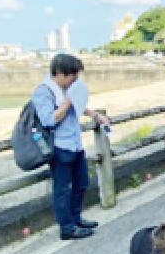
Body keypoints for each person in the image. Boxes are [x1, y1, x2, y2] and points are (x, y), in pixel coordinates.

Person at [31, 53, 110, 241]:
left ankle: (76, 219)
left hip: (75, 144)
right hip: (59, 147)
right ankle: (67, 227)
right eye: (72, 75)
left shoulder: (67, 89)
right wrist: (68, 100)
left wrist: (95, 115)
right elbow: (49, 120)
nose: (75, 79)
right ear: (59, 73)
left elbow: (78, 107)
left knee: (82, 183)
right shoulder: (44, 91)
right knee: (62, 189)